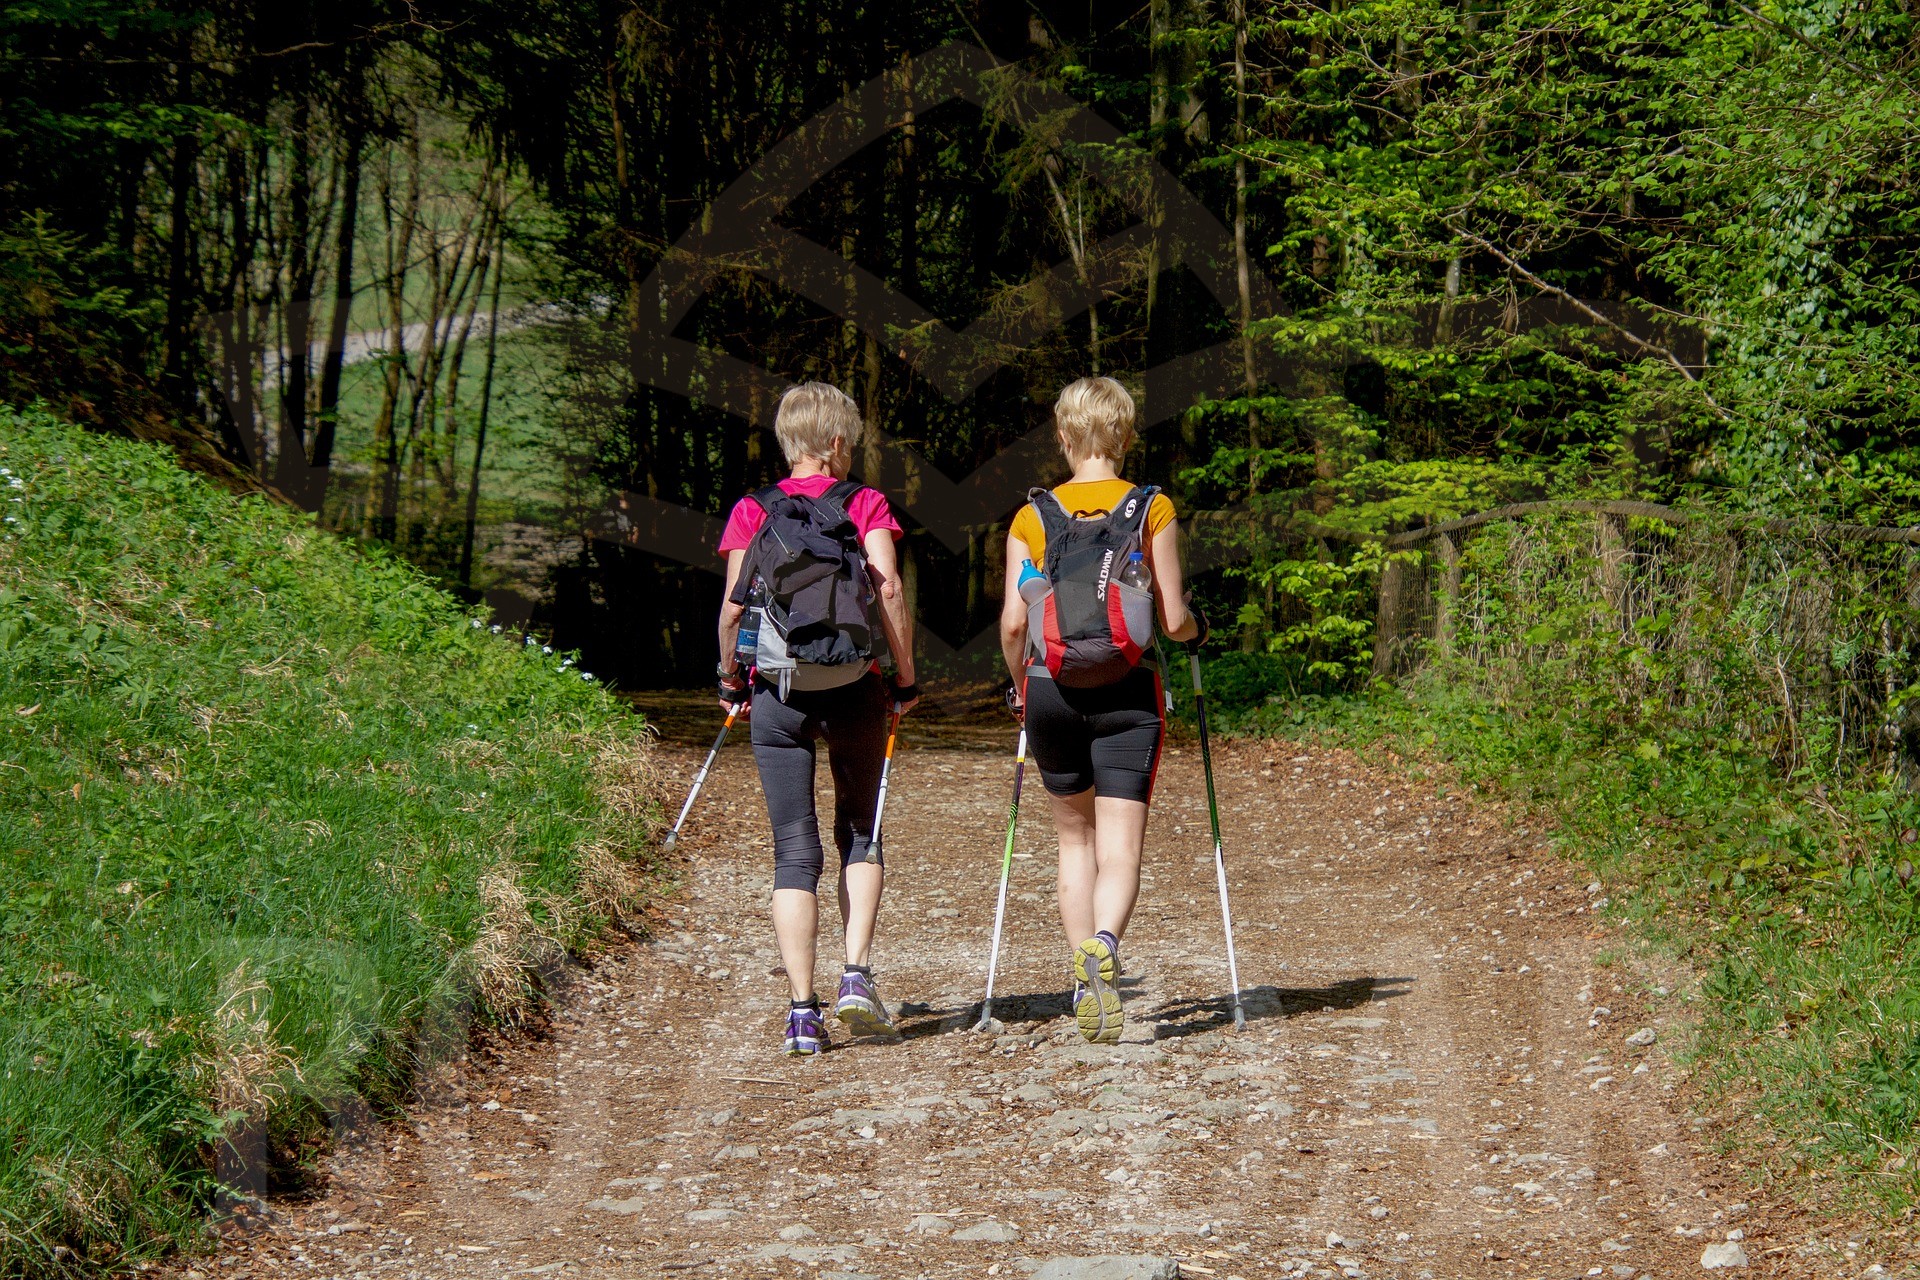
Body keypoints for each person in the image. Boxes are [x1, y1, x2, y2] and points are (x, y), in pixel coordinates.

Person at [716, 382, 920, 1056]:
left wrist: (729, 678)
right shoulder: (864, 504)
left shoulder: (754, 510)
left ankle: (802, 1013)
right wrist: (905, 675)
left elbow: (735, 609)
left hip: (778, 693)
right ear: (837, 443)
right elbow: (886, 589)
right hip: (854, 684)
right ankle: (856, 974)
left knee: (793, 849)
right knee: (861, 829)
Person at [999, 376, 1204, 1044]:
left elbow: (1011, 623)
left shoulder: (1031, 518)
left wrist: (1019, 690)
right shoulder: (1152, 507)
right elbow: (1171, 620)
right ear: (1124, 435)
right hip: (1126, 691)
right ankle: (1107, 945)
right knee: (1120, 848)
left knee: (1073, 841)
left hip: (1050, 690)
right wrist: (1196, 630)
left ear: (1062, 437)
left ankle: (1084, 976)